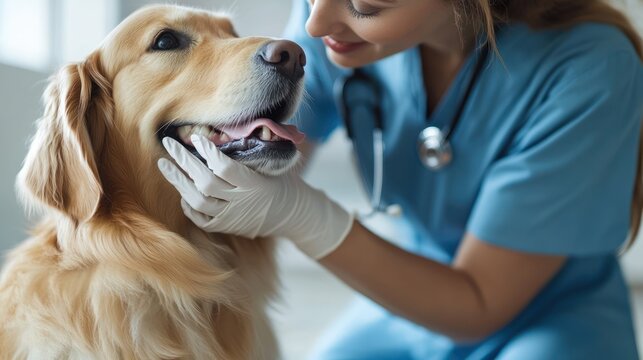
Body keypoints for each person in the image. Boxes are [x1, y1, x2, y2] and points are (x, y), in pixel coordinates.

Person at [158, 0, 643, 358]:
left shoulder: (590, 70)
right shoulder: (333, 27)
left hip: (547, 321)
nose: (315, 24)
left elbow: (479, 303)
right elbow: (267, 150)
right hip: (401, 308)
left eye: (365, 7)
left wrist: (305, 216)